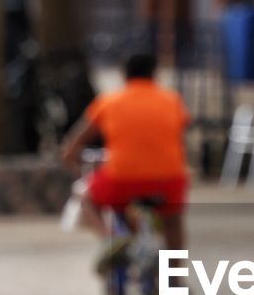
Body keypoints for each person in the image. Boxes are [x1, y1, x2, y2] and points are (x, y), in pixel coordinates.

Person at [59, 52, 189, 262]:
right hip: (169, 181)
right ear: (154, 74)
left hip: (121, 181)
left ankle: (111, 241)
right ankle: (173, 280)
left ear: (124, 74)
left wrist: (71, 161)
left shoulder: (109, 102)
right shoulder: (172, 101)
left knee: (85, 198)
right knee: (172, 222)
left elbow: (73, 145)